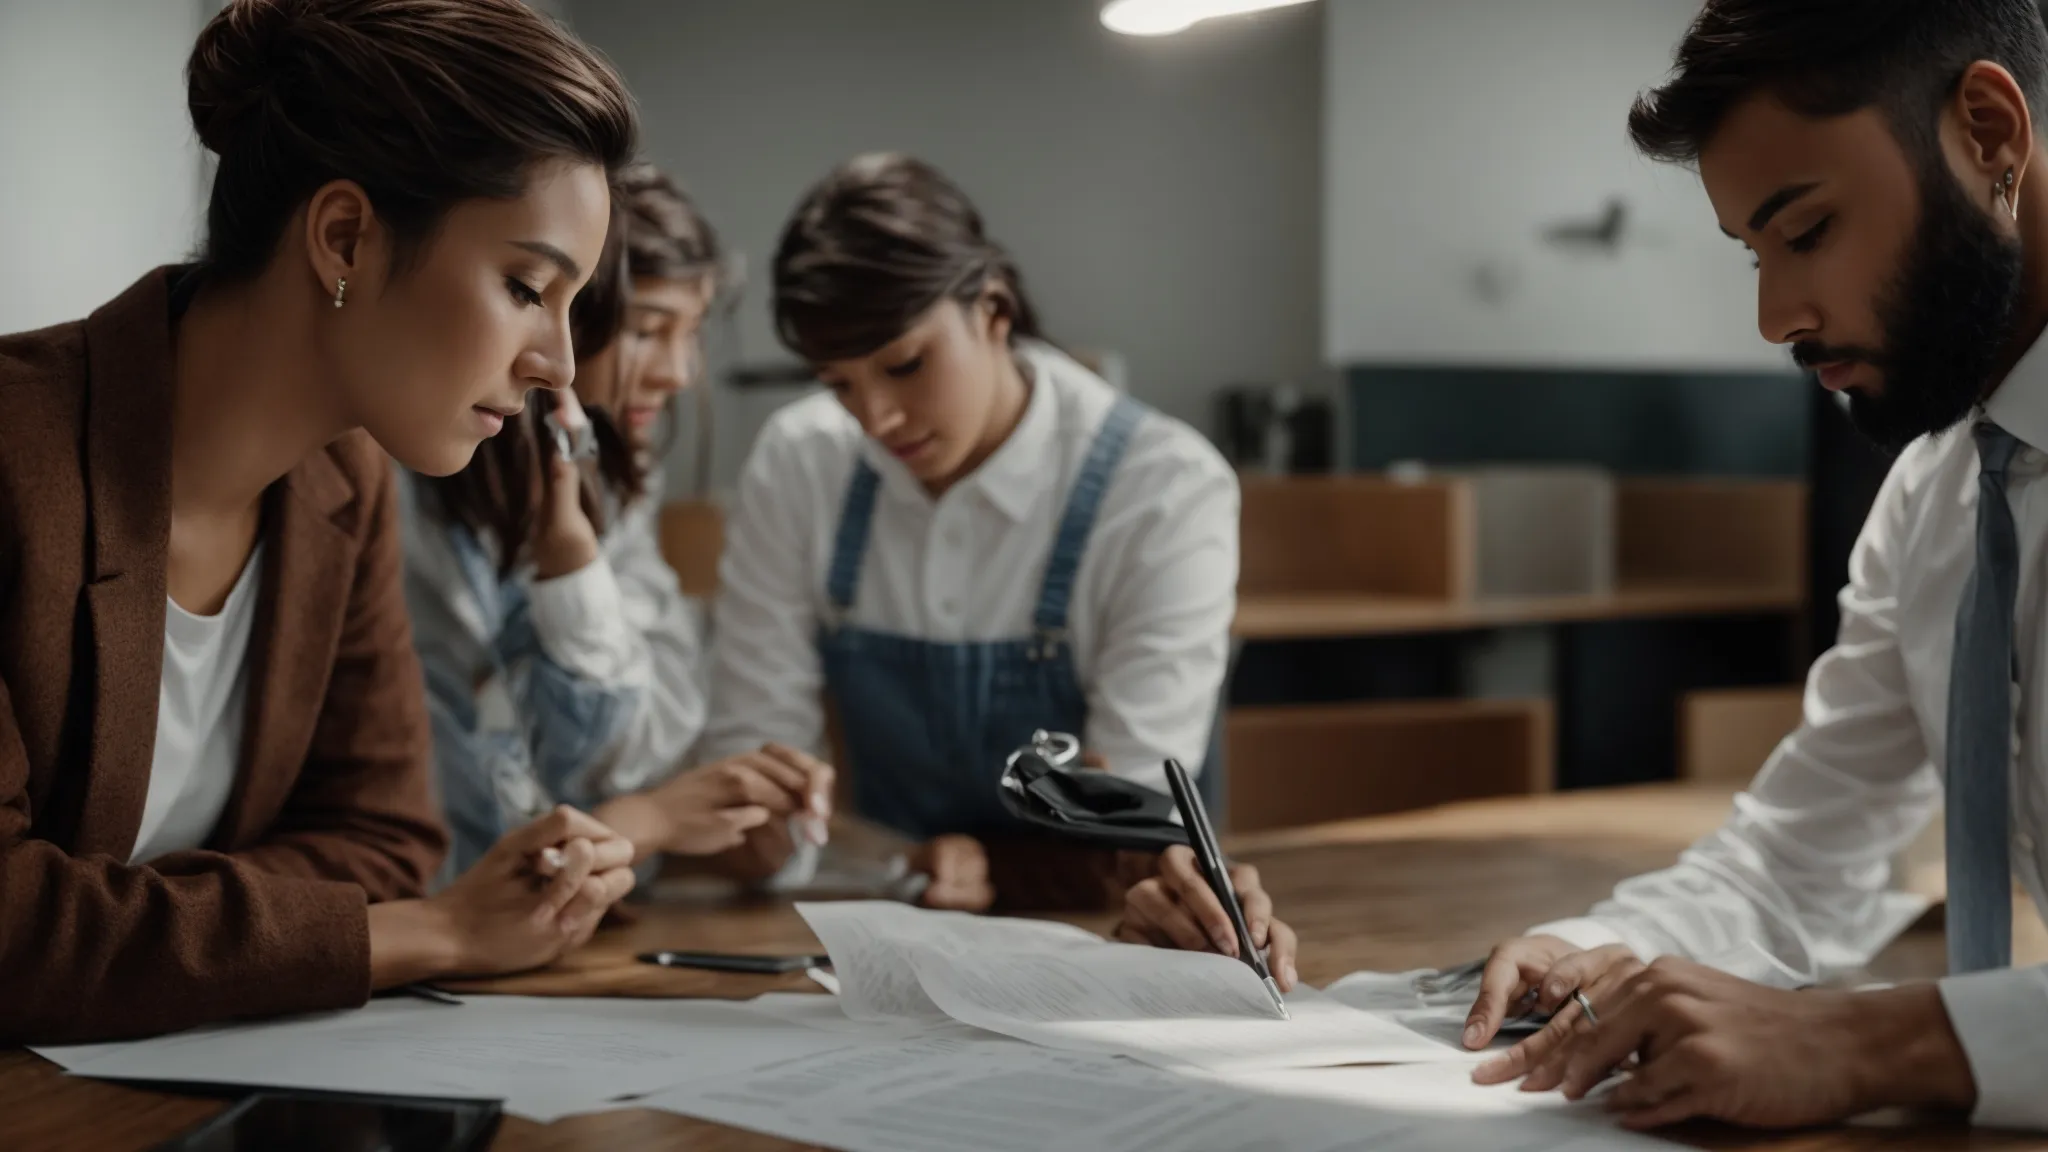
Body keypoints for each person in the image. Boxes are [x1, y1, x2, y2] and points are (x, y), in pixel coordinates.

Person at [0, 0, 647, 1044]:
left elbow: (385, 840)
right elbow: (10, 931)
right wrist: (436, 935)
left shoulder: (342, 488)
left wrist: (121, 935)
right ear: (343, 236)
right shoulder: (14, 455)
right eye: (527, 285)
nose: (559, 365)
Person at [1455, 0, 2048, 1133]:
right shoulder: (1935, 501)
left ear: (1986, 131)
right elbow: (1796, 860)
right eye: (1752, 255)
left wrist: (1869, 1040)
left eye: (1808, 230)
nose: (1776, 318)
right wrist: (1594, 953)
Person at [698, 152, 1296, 983]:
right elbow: (756, 773)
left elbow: (1129, 825)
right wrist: (752, 822)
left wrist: (994, 865)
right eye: (840, 384)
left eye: (905, 364)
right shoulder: (800, 463)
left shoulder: (1162, 487)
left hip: (1103, 945)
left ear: (993, 309)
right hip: (888, 944)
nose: (877, 418)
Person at [403, 163, 832, 877]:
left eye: (690, 333)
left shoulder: (610, 474)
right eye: (649, 331)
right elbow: (452, 787)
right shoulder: (417, 490)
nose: (680, 373)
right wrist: (646, 820)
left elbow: (650, 736)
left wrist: (573, 560)